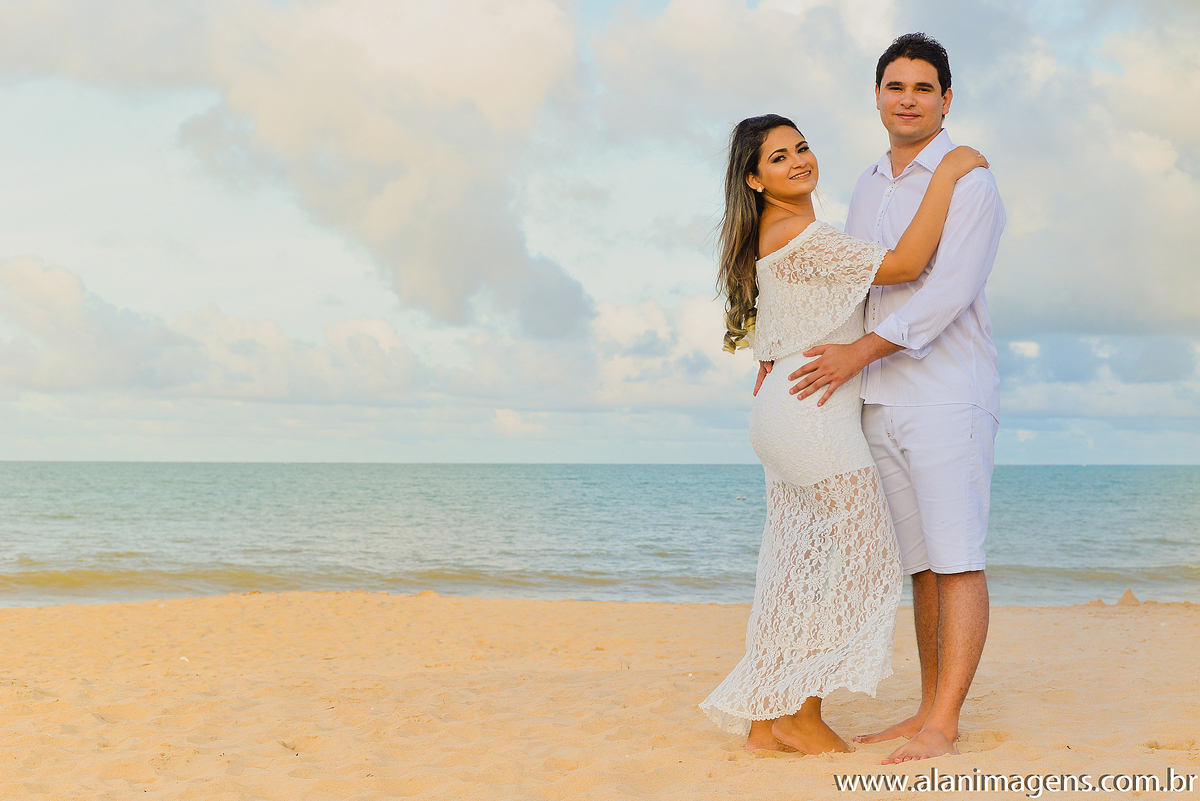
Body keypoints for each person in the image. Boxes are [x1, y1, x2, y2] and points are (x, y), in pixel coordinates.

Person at [698, 112, 988, 754]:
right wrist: (949, 170)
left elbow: (783, 320)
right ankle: (799, 712)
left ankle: (766, 723)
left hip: (787, 410)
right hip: (815, 417)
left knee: (794, 566)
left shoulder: (779, 232)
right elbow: (910, 263)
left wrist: (772, 356)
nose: (798, 160)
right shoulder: (801, 233)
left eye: (801, 147)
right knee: (861, 560)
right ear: (753, 179)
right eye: (778, 158)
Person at [788, 33, 1007, 764]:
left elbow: (947, 290)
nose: (907, 98)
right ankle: (927, 711)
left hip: (947, 390)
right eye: (894, 86)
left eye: (922, 87)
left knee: (958, 557)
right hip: (879, 393)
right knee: (921, 563)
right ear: (877, 96)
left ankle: (944, 725)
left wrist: (859, 352)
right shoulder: (868, 182)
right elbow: (859, 281)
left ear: (947, 99)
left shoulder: (968, 178)